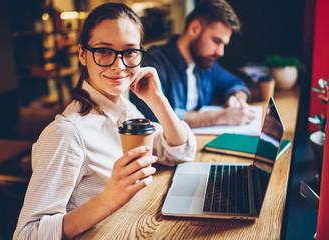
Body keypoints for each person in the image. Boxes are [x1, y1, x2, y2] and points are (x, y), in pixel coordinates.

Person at [13, 3, 196, 240]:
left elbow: (180, 151)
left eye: (129, 52)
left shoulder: (124, 109)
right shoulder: (67, 133)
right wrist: (109, 198)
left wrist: (157, 99)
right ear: (82, 54)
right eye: (104, 51)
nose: (118, 65)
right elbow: (27, 234)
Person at [130, 0, 256, 128]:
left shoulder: (206, 63)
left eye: (224, 44)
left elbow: (235, 84)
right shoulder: (153, 62)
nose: (221, 52)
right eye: (217, 41)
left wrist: (236, 98)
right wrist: (219, 117)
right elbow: (151, 115)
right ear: (195, 28)